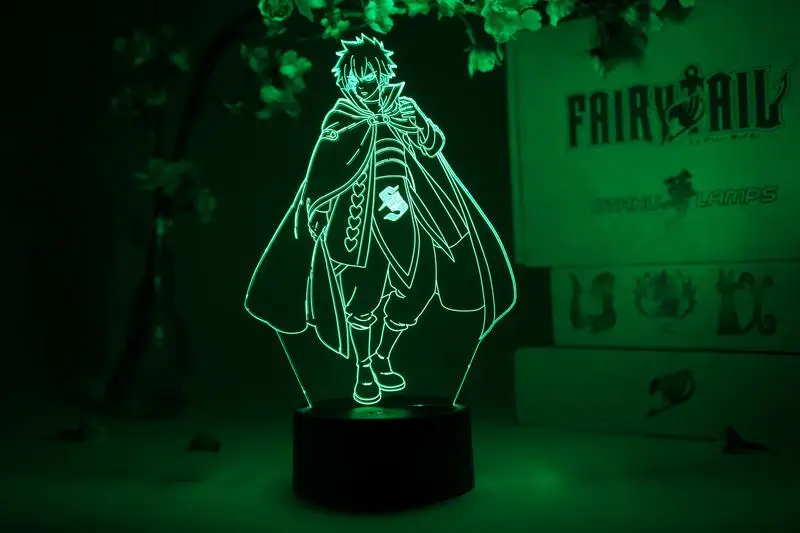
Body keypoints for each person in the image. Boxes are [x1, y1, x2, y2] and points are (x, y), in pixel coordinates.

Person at [245, 34, 516, 405]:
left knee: (418, 290)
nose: (365, 83)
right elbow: (324, 165)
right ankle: (363, 368)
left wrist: (417, 125)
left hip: (408, 214)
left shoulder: (403, 106)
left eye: (370, 74)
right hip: (359, 223)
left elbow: (432, 145)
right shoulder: (342, 117)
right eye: (356, 76)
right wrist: (318, 208)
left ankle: (383, 354)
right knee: (363, 295)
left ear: (383, 73)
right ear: (346, 80)